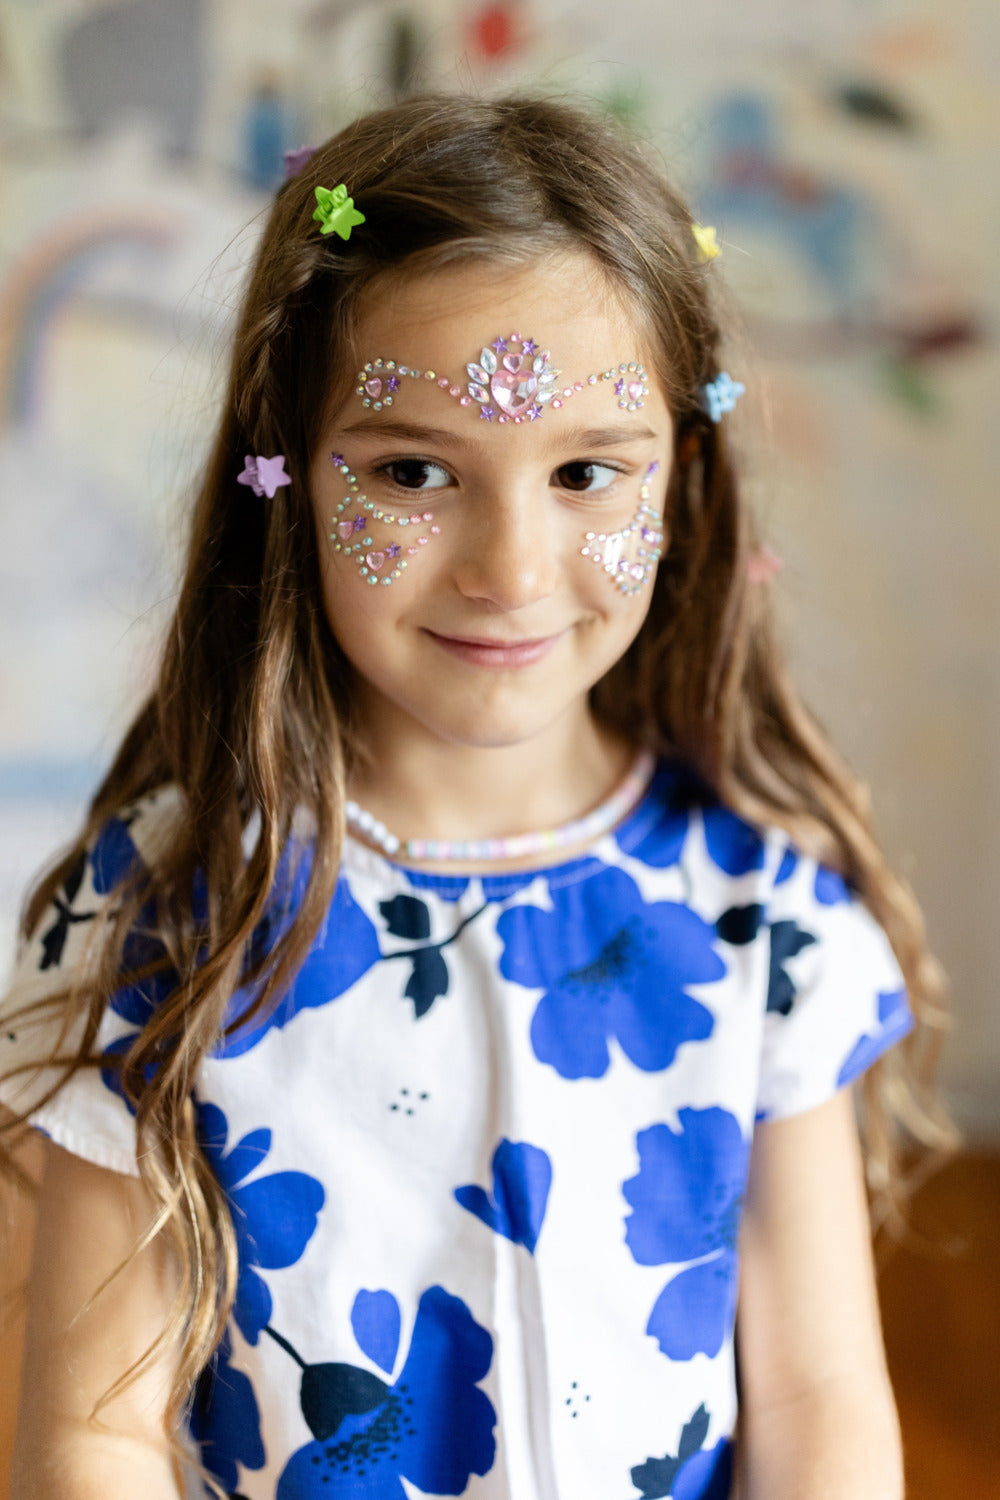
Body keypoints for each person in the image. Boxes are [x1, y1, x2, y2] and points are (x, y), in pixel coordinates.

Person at [0, 93, 950, 1500]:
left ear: (679, 483)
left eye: (585, 472)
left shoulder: (762, 921)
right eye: (413, 472)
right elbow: (91, 1433)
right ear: (292, 481)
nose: (510, 568)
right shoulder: (171, 919)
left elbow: (819, 1404)